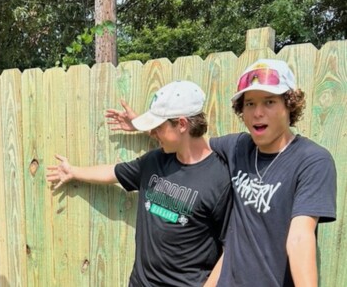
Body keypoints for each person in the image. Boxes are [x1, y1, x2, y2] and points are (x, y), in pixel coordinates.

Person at [106, 59, 337, 287]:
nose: (257, 112)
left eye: (269, 102)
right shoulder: (238, 147)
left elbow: (300, 237)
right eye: (249, 104)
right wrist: (146, 126)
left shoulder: (311, 160)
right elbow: (190, 141)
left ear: (289, 104)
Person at [47, 81, 233, 286]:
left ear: (181, 124)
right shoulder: (154, 161)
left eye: (158, 127)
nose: (153, 133)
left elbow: (231, 247)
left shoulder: (220, 178)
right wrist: (73, 171)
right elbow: (113, 172)